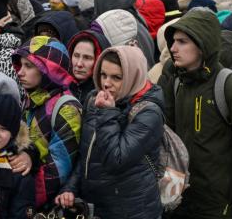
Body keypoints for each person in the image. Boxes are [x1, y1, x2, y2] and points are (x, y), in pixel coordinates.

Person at [159, 8, 232, 218]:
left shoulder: (231, 86)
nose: (173, 48)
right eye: (173, 41)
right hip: (182, 206)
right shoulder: (178, 84)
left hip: (220, 209)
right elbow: (169, 147)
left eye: (182, 41)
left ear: (201, 44)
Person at [57, 46, 164, 219]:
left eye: (116, 77)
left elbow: (117, 159)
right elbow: (86, 155)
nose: (106, 83)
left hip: (132, 210)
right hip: (96, 207)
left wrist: (107, 113)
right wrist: (70, 188)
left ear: (132, 76)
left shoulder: (148, 112)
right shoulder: (94, 99)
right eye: (103, 75)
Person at [12, 36, 82, 209]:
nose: (20, 72)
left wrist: (22, 204)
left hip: (42, 205)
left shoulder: (67, 108)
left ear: (49, 70)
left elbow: (57, 172)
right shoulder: (31, 98)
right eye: (20, 65)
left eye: (29, 66)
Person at [67, 29, 111, 106]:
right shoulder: (59, 87)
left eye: (87, 58)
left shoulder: (105, 98)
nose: (79, 64)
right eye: (76, 56)